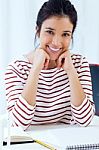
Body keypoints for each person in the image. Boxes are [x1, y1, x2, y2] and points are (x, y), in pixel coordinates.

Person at [5, 0, 95, 130]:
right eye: (50, 32)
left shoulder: (79, 64)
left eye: (65, 34)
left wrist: (71, 71)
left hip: (67, 142)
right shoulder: (17, 69)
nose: (56, 43)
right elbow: (18, 124)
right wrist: (35, 69)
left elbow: (85, 120)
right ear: (38, 31)